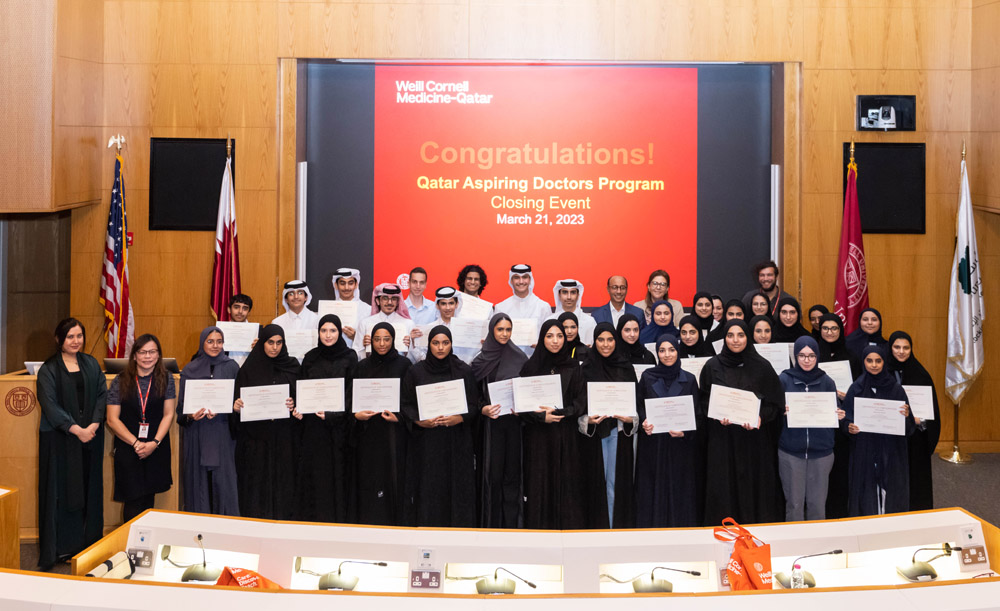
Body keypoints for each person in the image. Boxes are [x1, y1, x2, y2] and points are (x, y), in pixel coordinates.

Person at [519, 320, 604, 529]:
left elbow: (580, 402)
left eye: (559, 336)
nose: (555, 341)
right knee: (540, 482)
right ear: (542, 339)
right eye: (549, 336)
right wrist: (541, 417)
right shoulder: (531, 367)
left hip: (566, 436)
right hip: (539, 437)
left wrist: (560, 413)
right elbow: (522, 406)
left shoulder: (573, 367)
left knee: (567, 482)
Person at [699, 320, 785, 525]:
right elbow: (703, 401)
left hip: (753, 442)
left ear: (748, 337)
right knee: (724, 486)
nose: (735, 340)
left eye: (740, 335)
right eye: (730, 335)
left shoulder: (762, 366)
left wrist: (760, 417)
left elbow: (775, 403)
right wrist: (716, 415)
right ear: (724, 338)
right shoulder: (712, 366)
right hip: (723, 440)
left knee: (754, 488)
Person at [36, 318, 106, 570]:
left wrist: (94, 425)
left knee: (89, 489)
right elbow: (49, 404)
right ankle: (62, 549)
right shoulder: (48, 369)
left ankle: (89, 545)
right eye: (70, 337)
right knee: (62, 492)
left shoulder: (91, 363)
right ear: (59, 339)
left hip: (91, 438)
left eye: (79, 336)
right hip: (61, 440)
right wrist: (76, 430)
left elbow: (102, 395)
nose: (76, 341)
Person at [400, 325, 479, 527]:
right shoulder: (416, 371)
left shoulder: (463, 371)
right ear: (429, 344)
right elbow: (406, 404)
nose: (441, 348)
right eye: (436, 343)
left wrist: (459, 418)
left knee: (456, 487)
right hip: (427, 443)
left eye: (445, 343)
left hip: (456, 442)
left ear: (451, 344)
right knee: (429, 487)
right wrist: (419, 420)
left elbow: (474, 405)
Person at [230, 325, 298, 520]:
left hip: (284, 438)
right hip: (256, 440)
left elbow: (301, 398)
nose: (275, 347)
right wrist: (237, 406)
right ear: (262, 343)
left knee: (283, 482)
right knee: (256, 485)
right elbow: (237, 402)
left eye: (279, 342)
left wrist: (294, 403)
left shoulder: (292, 366)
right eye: (270, 342)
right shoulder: (249, 369)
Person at [106, 334, 175, 521]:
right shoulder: (120, 380)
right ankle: (130, 539)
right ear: (135, 355)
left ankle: (144, 538)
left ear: (158, 355)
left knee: (148, 499)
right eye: (143, 352)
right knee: (132, 499)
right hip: (128, 448)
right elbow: (112, 419)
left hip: (155, 447)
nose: (147, 356)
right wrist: (136, 443)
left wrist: (154, 443)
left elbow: (168, 414)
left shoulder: (167, 379)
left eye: (152, 352)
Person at [636, 334, 702, 527]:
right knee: (653, 488)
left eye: (671, 350)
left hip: (679, 447)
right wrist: (644, 421)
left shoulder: (689, 379)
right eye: (662, 350)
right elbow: (639, 406)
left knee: (679, 489)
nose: (667, 355)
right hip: (653, 446)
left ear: (678, 351)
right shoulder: (647, 377)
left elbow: (697, 414)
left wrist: (685, 432)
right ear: (657, 353)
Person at [297, 314, 358, 523]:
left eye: (333, 330)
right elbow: (302, 388)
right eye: (324, 330)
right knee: (316, 475)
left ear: (340, 332)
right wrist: (300, 408)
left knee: (337, 474)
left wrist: (333, 415)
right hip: (314, 429)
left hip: (339, 430)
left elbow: (351, 393)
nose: (328, 335)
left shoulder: (350, 357)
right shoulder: (310, 357)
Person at [842, 345, 914, 516]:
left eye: (878, 361)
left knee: (890, 493)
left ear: (884, 362)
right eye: (869, 361)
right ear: (864, 362)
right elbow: (845, 419)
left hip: (890, 451)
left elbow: (909, 428)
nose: (874, 365)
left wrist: (906, 416)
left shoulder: (896, 389)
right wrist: (849, 426)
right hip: (864, 450)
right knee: (865, 493)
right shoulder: (856, 388)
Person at [777, 337, 844, 521]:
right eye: (802, 355)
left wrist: (838, 414)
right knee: (794, 504)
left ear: (817, 356)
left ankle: (817, 539)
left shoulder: (827, 381)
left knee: (817, 505)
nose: (807, 360)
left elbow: (834, 409)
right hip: (791, 452)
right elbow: (773, 410)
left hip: (821, 453)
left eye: (812, 356)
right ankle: (795, 539)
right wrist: (781, 411)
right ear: (795, 356)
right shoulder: (784, 379)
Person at [352, 322, 411, 526]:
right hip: (368, 433)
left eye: (386, 339)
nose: (382, 344)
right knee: (371, 476)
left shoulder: (404, 365)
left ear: (393, 340)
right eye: (377, 339)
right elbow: (351, 399)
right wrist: (356, 415)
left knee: (392, 476)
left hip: (393, 432)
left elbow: (410, 400)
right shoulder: (362, 367)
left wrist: (399, 417)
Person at [472, 313, 529, 528]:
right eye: (500, 329)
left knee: (512, 476)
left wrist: (522, 407)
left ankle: (512, 526)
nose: (504, 334)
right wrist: (482, 408)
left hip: (514, 424)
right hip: (491, 425)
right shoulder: (480, 360)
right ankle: (491, 525)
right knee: (492, 477)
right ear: (491, 331)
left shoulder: (520, 358)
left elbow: (528, 391)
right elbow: (473, 394)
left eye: (508, 329)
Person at [177, 326, 240, 516]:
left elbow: (238, 400)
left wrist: (231, 407)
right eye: (210, 341)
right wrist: (190, 415)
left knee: (224, 482)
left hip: (222, 432)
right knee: (199, 483)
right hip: (198, 432)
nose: (215, 346)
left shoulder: (232, 367)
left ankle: (226, 525)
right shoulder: (190, 369)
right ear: (202, 343)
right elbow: (181, 409)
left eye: (219, 342)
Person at [581, 322, 639, 528]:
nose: (606, 344)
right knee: (595, 483)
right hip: (593, 435)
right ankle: (596, 528)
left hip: (618, 433)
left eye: (610, 339)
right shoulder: (585, 368)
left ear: (616, 341)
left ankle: (615, 529)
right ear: (594, 341)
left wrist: (631, 419)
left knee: (616, 483)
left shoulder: (625, 367)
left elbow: (637, 403)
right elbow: (579, 404)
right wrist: (586, 420)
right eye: (601, 340)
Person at [886, 331, 941, 511]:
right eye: (897, 347)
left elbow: (932, 416)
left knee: (915, 481)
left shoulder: (921, 374)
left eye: (906, 348)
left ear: (911, 349)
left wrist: (919, 420)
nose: (901, 351)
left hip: (914, 439)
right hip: (889, 437)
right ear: (890, 348)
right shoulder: (882, 373)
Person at [817, 312, 860, 520]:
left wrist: (846, 395)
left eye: (834, 328)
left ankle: (840, 513)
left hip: (843, 422)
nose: (830, 332)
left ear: (840, 330)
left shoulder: (852, 356)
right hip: (819, 421)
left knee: (840, 470)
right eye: (825, 328)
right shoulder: (813, 354)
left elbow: (860, 389)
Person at [412, 287, 479, 364]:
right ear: (437, 305)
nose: (447, 308)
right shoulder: (430, 328)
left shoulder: (467, 327)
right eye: (443, 304)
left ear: (457, 304)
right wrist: (414, 343)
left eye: (451, 303)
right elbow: (421, 358)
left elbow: (473, 354)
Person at [355, 283, 413, 360]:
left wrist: (410, 347)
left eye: (393, 299)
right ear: (377, 301)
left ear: (398, 302)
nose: (389, 302)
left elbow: (415, 360)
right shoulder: (365, 323)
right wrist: (364, 348)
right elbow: (357, 355)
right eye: (385, 298)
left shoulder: (408, 324)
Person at [331, 267, 372, 348]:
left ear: (356, 285)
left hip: (358, 355)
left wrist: (356, 337)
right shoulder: (328, 309)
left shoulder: (367, 310)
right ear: (336, 285)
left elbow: (372, 340)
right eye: (342, 283)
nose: (346, 288)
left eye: (350, 283)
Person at [547, 279, 597, 344]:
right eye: (565, 292)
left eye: (573, 292)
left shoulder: (589, 322)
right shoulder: (550, 321)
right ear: (559, 295)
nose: (569, 297)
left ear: (578, 295)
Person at [225, 293, 255, 365]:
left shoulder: (257, 332)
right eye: (236, 307)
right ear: (229, 309)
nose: (240, 311)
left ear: (249, 312)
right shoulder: (220, 331)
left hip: (250, 369)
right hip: (226, 369)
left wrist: (259, 348)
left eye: (245, 308)